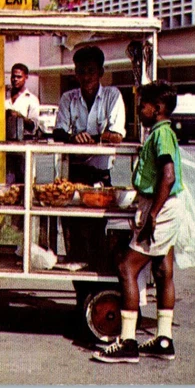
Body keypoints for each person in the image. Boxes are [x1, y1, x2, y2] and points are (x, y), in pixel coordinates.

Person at [94, 81, 183, 363]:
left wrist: (152, 214)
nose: (138, 110)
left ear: (156, 109)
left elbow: (167, 176)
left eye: (142, 104)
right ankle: (164, 338)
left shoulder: (161, 136)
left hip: (161, 207)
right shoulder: (160, 133)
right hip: (166, 205)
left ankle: (128, 341)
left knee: (126, 267)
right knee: (163, 269)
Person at [53, 46, 126, 274]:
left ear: (101, 72)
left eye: (91, 71)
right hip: (72, 175)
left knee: (96, 232)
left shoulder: (113, 96)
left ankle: (96, 283)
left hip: (99, 176)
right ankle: (79, 286)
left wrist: (90, 138)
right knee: (73, 234)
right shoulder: (68, 98)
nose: (86, 77)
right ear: (75, 73)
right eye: (81, 71)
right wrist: (74, 137)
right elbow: (58, 132)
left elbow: (116, 135)